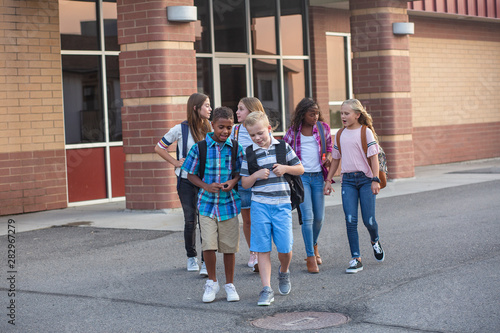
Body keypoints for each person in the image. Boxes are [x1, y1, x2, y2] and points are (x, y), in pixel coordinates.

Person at [181, 106, 245, 303]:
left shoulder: (236, 148)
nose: (225, 131)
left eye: (229, 127)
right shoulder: (199, 148)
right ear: (212, 125)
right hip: (207, 204)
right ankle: (212, 281)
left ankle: (229, 284)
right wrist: (206, 186)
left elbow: (239, 173)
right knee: (208, 245)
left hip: (229, 204)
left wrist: (232, 183)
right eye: (221, 127)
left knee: (228, 247)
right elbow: (190, 174)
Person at [240, 111, 304, 306]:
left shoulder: (283, 147)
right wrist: (256, 175)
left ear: (269, 129)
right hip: (260, 206)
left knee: (285, 248)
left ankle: (284, 271)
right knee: (262, 249)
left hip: (282, 205)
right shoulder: (249, 153)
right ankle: (266, 289)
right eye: (252, 135)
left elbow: (300, 169)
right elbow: (244, 183)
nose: (257, 138)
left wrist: (285, 168)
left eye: (260, 133)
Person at [323, 99, 385, 274]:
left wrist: (375, 179)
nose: (342, 116)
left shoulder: (366, 133)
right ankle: (356, 258)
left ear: (357, 115)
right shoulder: (340, 135)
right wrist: (328, 181)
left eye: (346, 113)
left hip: (366, 180)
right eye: (341, 113)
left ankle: (375, 240)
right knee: (350, 220)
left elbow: (374, 158)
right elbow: (335, 159)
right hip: (348, 181)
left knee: (369, 221)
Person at [154, 92, 211, 276]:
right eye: (207, 105)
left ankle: (205, 260)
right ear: (196, 108)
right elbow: (159, 147)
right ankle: (191, 257)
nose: (210, 109)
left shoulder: (210, 128)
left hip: (205, 182)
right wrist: (176, 162)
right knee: (190, 220)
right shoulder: (181, 129)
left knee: (206, 221)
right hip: (185, 181)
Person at [283, 98, 332, 274]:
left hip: (318, 177)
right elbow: (284, 152)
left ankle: (313, 243)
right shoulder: (293, 132)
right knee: (308, 217)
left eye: (317, 113)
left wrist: (330, 159)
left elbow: (330, 149)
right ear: (302, 114)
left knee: (320, 218)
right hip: (301, 178)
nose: (315, 117)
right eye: (312, 114)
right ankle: (310, 256)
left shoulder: (323, 128)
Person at [230, 97, 266, 273]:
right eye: (238, 108)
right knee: (247, 219)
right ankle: (253, 253)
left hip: (261, 180)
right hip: (244, 179)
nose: (237, 112)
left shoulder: (262, 130)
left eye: (241, 109)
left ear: (252, 111)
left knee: (261, 218)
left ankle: (262, 252)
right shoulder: (234, 131)